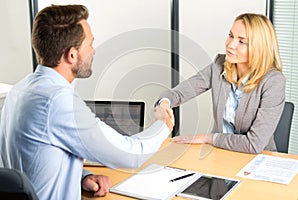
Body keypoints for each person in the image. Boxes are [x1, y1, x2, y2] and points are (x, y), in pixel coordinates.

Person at [0, 4, 174, 200]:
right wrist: (162, 125)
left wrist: (82, 176)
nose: (94, 51)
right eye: (90, 44)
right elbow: (130, 154)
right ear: (72, 55)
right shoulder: (57, 101)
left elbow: (31, 161)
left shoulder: (20, 89)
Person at [156, 13, 285, 154]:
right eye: (231, 35)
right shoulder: (219, 65)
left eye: (242, 41)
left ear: (259, 48)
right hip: (221, 156)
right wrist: (164, 103)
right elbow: (179, 93)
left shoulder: (273, 81)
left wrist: (208, 138)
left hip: (257, 162)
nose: (230, 44)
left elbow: (253, 144)